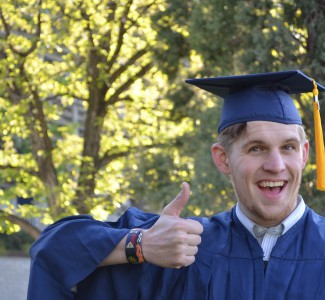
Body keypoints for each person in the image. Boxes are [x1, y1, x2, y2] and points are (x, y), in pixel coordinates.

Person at [27, 70, 325, 300]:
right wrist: (140, 246)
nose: (276, 165)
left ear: (304, 154)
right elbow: (52, 250)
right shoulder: (183, 247)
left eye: (287, 147)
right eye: (256, 148)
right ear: (223, 159)